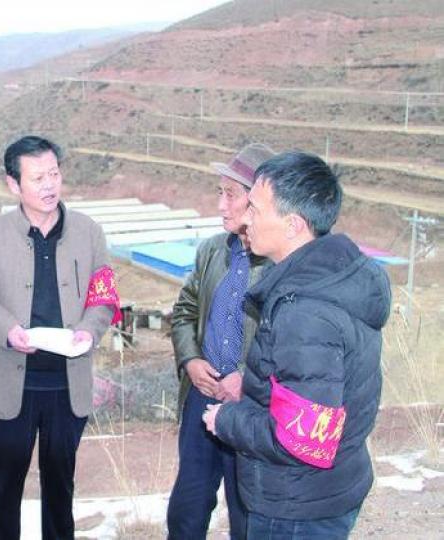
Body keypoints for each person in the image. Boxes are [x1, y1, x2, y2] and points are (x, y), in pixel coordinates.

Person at [203, 152, 391, 539]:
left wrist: (226, 420)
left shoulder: (305, 312)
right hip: (327, 489)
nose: (245, 219)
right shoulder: (328, 278)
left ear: (293, 225)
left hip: (296, 504)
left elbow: (303, 439)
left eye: (255, 209)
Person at [0, 135, 116, 539]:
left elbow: (104, 296)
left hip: (67, 385)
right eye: (37, 178)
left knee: (61, 489)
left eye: (54, 174)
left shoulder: (89, 232)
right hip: (11, 383)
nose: (49, 185)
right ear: (14, 184)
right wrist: (7, 330)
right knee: (4, 490)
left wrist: (89, 330)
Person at [167, 143, 275, 539]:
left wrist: (246, 377)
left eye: (231, 195)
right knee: (188, 506)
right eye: (220, 192)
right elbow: (184, 311)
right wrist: (191, 360)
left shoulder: (281, 264)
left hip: (249, 405)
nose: (221, 205)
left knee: (247, 510)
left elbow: (285, 340)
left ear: (260, 201)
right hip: (202, 394)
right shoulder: (213, 250)